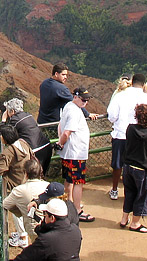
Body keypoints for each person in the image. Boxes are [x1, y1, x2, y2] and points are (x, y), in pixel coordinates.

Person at [106, 73, 147, 200]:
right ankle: (137, 191)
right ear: (143, 85)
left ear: (132, 82)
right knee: (139, 164)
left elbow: (112, 116)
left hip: (121, 134)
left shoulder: (120, 96)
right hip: (140, 136)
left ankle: (115, 190)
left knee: (118, 164)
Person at [118, 103, 147, 233]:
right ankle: (135, 223)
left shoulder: (130, 129)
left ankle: (124, 219)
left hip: (128, 167)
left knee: (129, 192)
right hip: (142, 169)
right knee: (142, 196)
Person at [55, 87, 95, 222]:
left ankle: (69, 205)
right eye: (83, 100)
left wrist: (60, 143)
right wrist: (61, 142)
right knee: (78, 182)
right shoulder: (74, 112)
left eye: (87, 100)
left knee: (69, 179)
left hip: (68, 152)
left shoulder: (68, 106)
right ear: (75, 97)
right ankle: (77, 210)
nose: (85, 103)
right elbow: (67, 132)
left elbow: (60, 126)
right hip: (76, 153)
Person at [12, 198, 82, 261]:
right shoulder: (76, 230)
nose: (44, 218)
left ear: (52, 218)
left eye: (45, 215)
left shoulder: (46, 240)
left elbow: (24, 258)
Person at [4, 160, 49, 248]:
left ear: (25, 174)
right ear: (40, 172)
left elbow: (6, 205)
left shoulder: (19, 190)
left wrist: (22, 211)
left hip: (34, 227)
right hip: (51, 223)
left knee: (39, 249)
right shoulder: (48, 186)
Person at [2, 98, 53, 176]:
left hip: (35, 151)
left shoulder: (14, 120)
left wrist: (3, 120)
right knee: (41, 175)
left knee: (33, 176)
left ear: (12, 111)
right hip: (46, 146)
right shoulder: (28, 115)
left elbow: (5, 135)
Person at [0, 124, 33, 194]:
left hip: (15, 186)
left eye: (1, 135)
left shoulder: (8, 152)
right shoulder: (23, 143)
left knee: (7, 204)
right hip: (27, 181)